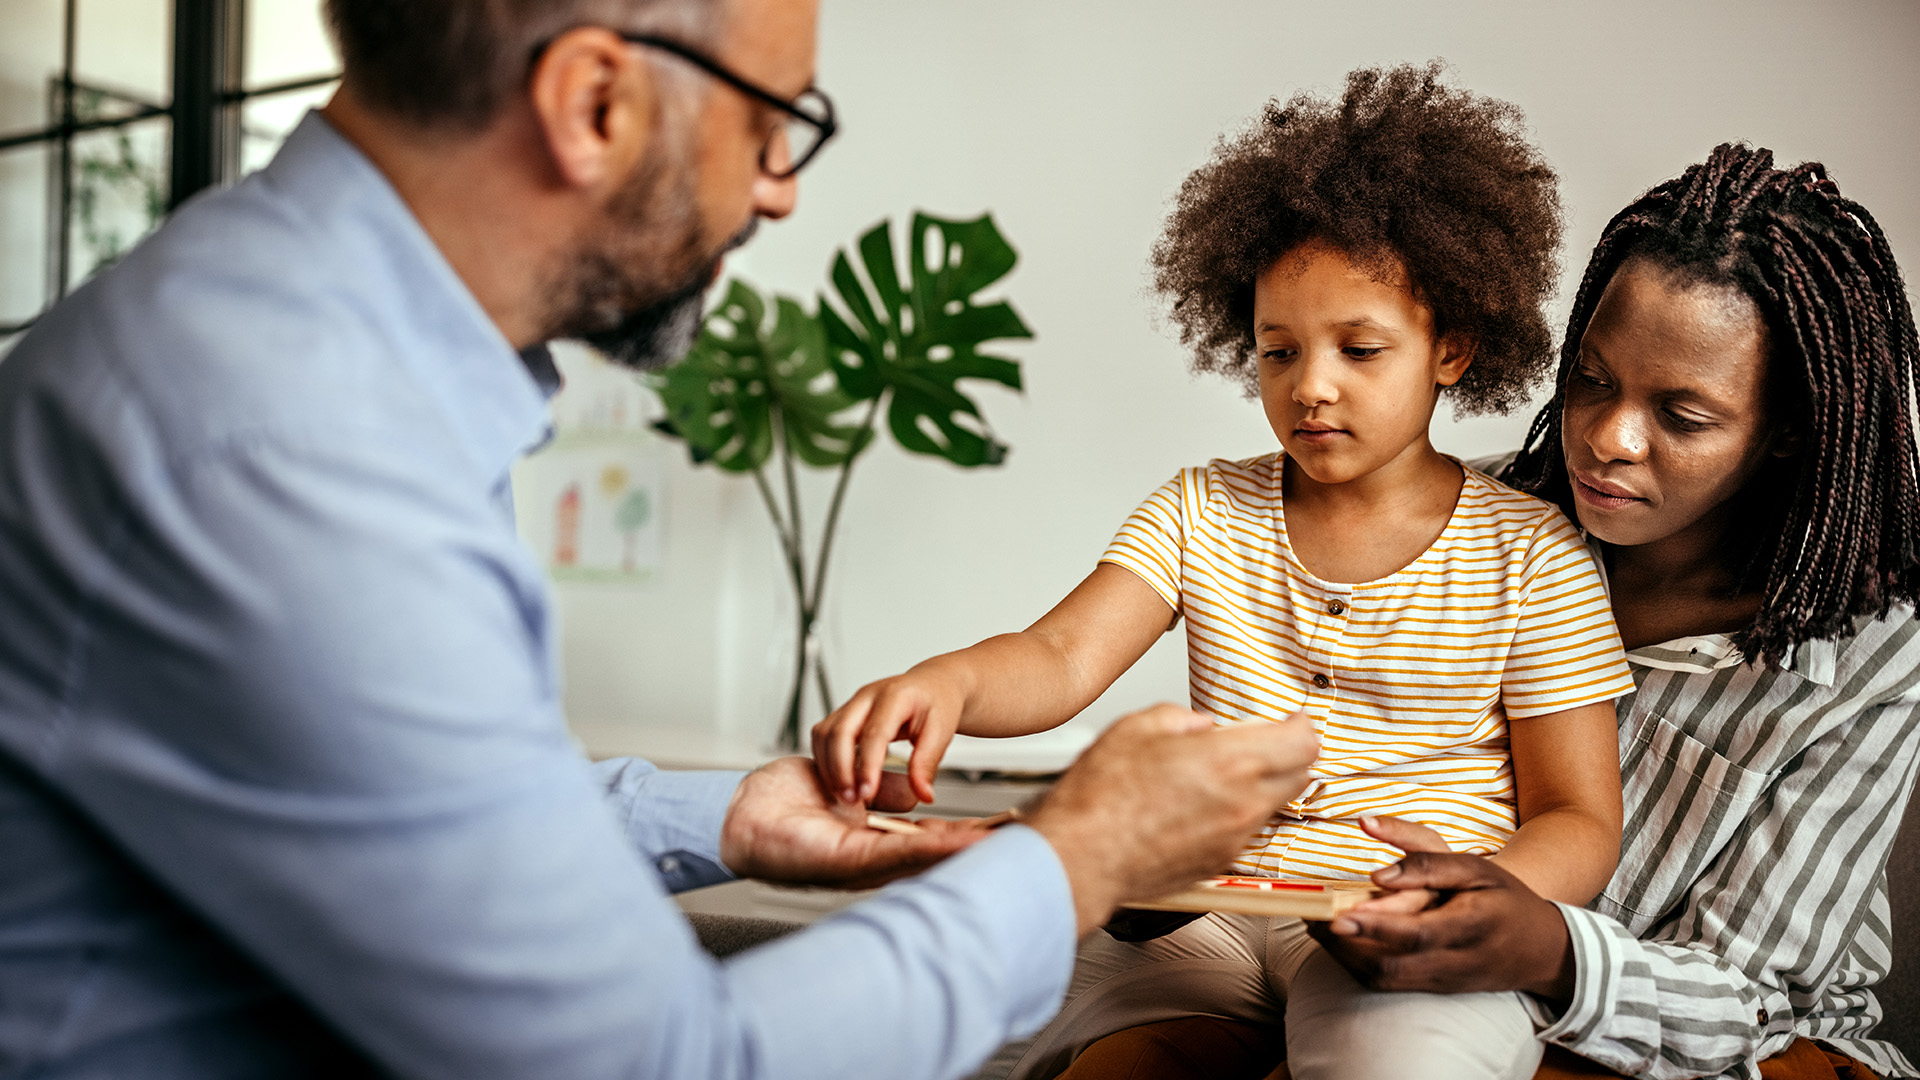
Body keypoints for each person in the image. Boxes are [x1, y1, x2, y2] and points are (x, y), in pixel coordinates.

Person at [0, 0, 1323, 1077]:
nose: (781, 194)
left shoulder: (292, 342)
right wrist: (1077, 858)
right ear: (594, 102)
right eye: (771, 127)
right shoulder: (291, 443)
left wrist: (731, 813)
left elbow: (399, 803)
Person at [813, 65, 1636, 1080]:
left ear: (1453, 349)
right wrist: (945, 685)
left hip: (1399, 934)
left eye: (1360, 349)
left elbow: (1580, 817)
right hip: (1198, 918)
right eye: (1278, 351)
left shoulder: (1533, 553)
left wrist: (1478, 897)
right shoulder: (1203, 508)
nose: (1311, 387)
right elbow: (1061, 654)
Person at [1077, 144, 1920, 1080]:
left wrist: (1544, 948)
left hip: (1715, 1041)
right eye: (1592, 380)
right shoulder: (1462, 524)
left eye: (1682, 415)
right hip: (1380, 963)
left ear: (1789, 428)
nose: (1608, 438)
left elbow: (1750, 1000)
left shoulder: (1874, 659)